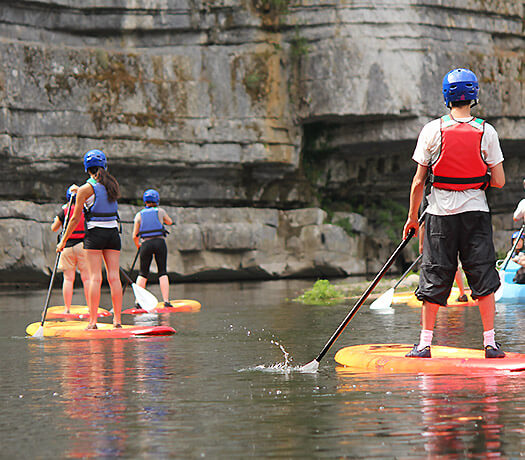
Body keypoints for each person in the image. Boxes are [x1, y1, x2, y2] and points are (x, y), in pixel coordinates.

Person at [403, 68, 506, 358]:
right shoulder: (487, 131)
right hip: (475, 214)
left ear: (446, 96)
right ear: (473, 96)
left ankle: (424, 344)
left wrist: (412, 219)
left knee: (434, 274)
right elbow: (499, 181)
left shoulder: (431, 130)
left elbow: (418, 182)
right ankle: (490, 344)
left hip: (439, 215)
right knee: (483, 275)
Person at [57, 149, 122, 329]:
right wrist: (80, 191)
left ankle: (93, 322)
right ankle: (117, 320)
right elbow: (97, 192)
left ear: (87, 169)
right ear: (105, 166)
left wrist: (63, 241)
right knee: (114, 277)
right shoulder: (113, 185)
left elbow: (75, 218)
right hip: (113, 234)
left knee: (95, 278)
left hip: (95, 235)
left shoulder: (85, 189)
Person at [132, 189, 173, 308]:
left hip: (146, 244)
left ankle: (138, 302)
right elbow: (169, 222)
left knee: (143, 273)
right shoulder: (160, 211)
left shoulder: (139, 215)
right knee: (162, 272)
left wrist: (138, 245)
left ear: (145, 201)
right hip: (159, 243)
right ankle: (166, 301)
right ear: (157, 200)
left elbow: (134, 235)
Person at [51, 185, 90, 313]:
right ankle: (91, 307)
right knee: (87, 278)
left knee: (68, 279)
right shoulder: (84, 210)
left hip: (66, 247)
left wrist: (56, 220)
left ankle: (67, 309)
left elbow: (54, 228)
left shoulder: (64, 211)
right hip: (82, 246)